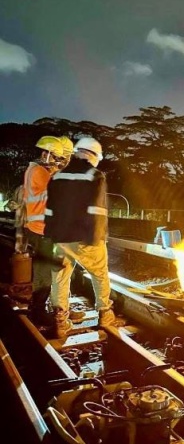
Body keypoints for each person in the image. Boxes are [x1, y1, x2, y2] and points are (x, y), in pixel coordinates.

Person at [45, 137, 120, 340]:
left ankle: (60, 322)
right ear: (94, 155)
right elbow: (97, 210)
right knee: (100, 274)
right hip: (85, 237)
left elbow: (50, 209)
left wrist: (50, 234)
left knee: (59, 277)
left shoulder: (57, 176)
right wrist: (96, 238)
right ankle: (105, 314)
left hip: (61, 238)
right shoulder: (94, 175)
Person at [17, 136, 73, 324]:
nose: (57, 161)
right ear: (46, 154)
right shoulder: (40, 171)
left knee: (44, 271)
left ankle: (39, 309)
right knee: (44, 274)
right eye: (55, 157)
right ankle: (38, 312)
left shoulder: (35, 169)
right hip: (41, 229)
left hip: (38, 228)